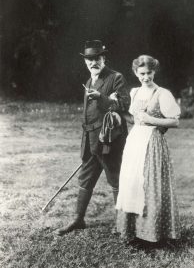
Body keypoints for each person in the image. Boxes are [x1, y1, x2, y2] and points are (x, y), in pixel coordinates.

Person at [56, 40, 130, 236]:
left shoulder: (116, 78)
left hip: (109, 140)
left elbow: (123, 105)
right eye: (89, 59)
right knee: (85, 179)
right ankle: (78, 219)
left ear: (104, 58)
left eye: (97, 58)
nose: (92, 62)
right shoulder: (89, 81)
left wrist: (102, 98)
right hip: (90, 140)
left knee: (115, 179)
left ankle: (121, 224)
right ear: (85, 62)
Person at [116, 55, 181, 244]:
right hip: (135, 141)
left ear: (154, 72)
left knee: (150, 185)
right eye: (142, 73)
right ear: (136, 73)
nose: (146, 77)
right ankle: (132, 231)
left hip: (152, 143)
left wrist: (151, 119)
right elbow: (135, 120)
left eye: (149, 73)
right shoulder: (134, 92)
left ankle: (152, 233)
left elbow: (175, 121)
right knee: (132, 184)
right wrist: (116, 111)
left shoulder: (163, 93)